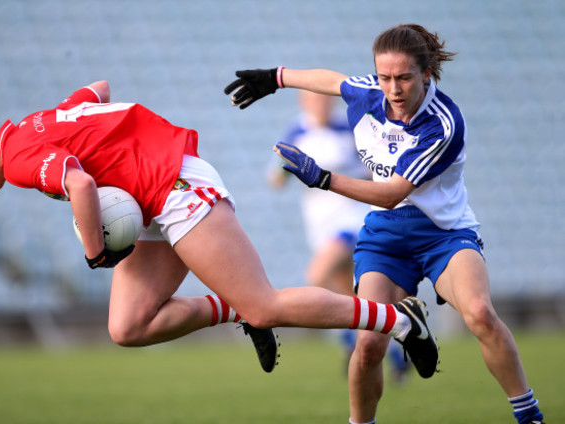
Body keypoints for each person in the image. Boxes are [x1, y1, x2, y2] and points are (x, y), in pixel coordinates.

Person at [0, 67, 438, 383]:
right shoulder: (29, 127)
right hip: (151, 201)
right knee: (127, 326)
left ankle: (398, 320)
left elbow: (81, 186)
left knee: (264, 306)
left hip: (175, 187)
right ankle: (229, 310)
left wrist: (96, 253)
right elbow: (99, 87)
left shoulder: (20, 158)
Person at [224, 23, 544, 424]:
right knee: (370, 343)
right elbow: (335, 81)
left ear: (426, 74)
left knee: (479, 314)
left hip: (443, 235)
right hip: (386, 236)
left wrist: (324, 178)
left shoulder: (441, 123)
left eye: (404, 77)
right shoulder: (370, 93)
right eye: (385, 77)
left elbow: (392, 192)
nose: (393, 89)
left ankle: (529, 415)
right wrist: (276, 78)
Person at [270, 91, 409, 381]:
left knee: (318, 274)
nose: (318, 105)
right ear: (302, 103)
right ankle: (398, 347)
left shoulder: (349, 129)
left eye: (322, 99)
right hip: (319, 223)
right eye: (312, 100)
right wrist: (280, 174)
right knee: (353, 299)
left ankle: (350, 346)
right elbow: (277, 176)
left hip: (351, 217)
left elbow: (377, 171)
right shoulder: (297, 130)